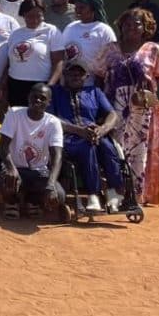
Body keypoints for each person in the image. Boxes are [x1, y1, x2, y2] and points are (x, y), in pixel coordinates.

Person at [103, 8, 159, 206]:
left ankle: (135, 196)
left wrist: (149, 88)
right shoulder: (110, 49)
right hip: (114, 107)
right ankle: (114, 192)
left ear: (145, 27)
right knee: (114, 148)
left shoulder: (153, 49)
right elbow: (100, 74)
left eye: (136, 24)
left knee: (139, 151)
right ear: (121, 27)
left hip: (141, 109)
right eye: (127, 24)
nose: (131, 27)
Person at [49, 62, 124, 213]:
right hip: (67, 137)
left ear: (86, 76)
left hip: (93, 134)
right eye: (71, 73)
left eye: (80, 74)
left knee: (108, 147)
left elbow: (112, 114)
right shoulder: (55, 92)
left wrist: (102, 129)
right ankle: (93, 195)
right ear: (64, 75)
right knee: (87, 147)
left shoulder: (95, 92)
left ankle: (114, 193)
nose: (75, 76)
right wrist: (79, 131)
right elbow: (50, 119)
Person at [0, 84, 67, 221]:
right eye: (35, 97)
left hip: (39, 171)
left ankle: (33, 201)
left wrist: (51, 184)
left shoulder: (53, 122)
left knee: (59, 195)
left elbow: (57, 156)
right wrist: (11, 168)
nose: (38, 100)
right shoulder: (14, 113)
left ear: (49, 102)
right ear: (28, 97)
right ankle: (12, 202)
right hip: (16, 168)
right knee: (7, 179)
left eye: (43, 98)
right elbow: (3, 146)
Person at [2, 0, 65, 107]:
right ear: (23, 14)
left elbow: (58, 62)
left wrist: (49, 86)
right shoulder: (15, 34)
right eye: (30, 16)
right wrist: (3, 85)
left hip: (41, 87)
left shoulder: (51, 31)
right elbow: (9, 63)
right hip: (15, 85)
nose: (35, 20)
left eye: (39, 16)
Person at [62, 0, 117, 86]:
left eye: (82, 8)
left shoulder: (104, 30)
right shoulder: (70, 27)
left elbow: (112, 59)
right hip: (69, 85)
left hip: (92, 85)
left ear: (93, 9)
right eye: (76, 8)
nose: (78, 11)